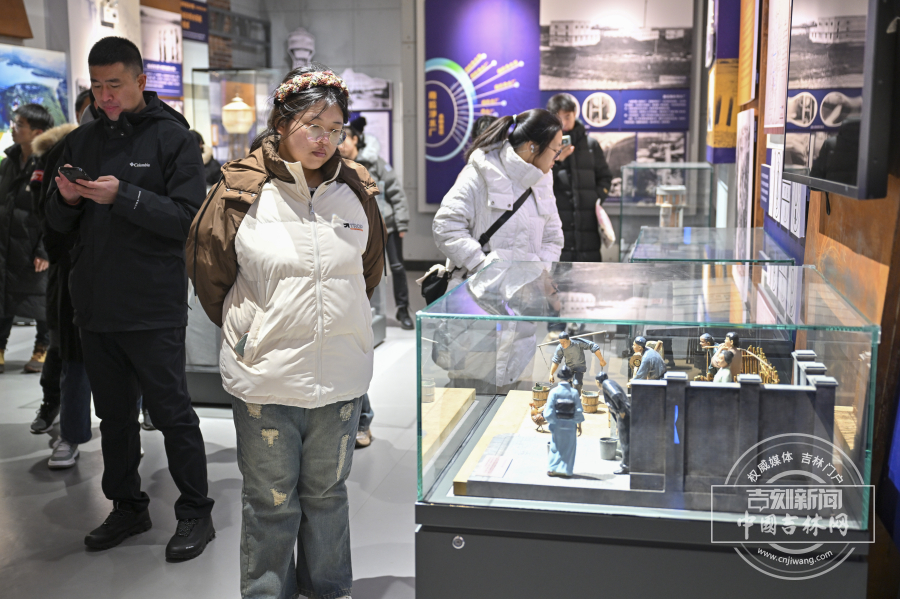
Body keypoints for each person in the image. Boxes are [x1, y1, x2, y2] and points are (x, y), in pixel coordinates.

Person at [187, 64, 385, 599]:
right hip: (265, 379)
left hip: (340, 377)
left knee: (328, 496)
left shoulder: (357, 189)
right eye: (313, 126)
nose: (325, 139)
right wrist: (251, 332)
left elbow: (367, 273)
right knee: (270, 502)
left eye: (335, 129)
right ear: (281, 123)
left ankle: (329, 590)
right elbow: (211, 273)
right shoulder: (239, 189)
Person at [45, 36, 214, 559]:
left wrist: (126, 195)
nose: (105, 96)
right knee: (114, 417)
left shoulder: (174, 139)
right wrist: (66, 201)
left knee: (173, 413)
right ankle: (127, 507)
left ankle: (195, 512)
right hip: (95, 305)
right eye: (97, 86)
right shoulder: (81, 141)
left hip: (153, 306)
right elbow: (56, 228)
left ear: (141, 81)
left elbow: (188, 220)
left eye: (114, 84)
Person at [432, 109, 564, 392]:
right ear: (533, 147)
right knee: (469, 390)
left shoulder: (543, 180)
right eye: (555, 150)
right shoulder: (481, 172)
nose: (557, 157)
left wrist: (539, 273)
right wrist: (484, 267)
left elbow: (553, 236)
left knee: (514, 390)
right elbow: (446, 225)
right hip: (475, 302)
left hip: (522, 306)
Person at [29, 103, 95, 469]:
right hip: (72, 271)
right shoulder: (63, 150)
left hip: (122, 276)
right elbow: (46, 215)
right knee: (72, 358)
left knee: (126, 360)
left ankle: (126, 432)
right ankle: (69, 434)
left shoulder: (143, 144)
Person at [339, 120, 413, 332]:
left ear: (355, 140)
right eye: (338, 140)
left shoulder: (375, 162)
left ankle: (403, 310)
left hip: (388, 225)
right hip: (360, 228)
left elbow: (396, 192)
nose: (341, 144)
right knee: (363, 268)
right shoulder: (337, 166)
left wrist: (402, 222)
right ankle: (364, 312)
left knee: (397, 267)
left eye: (345, 139)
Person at [0, 104, 53, 375]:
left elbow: (52, 211)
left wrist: (44, 250)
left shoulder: (48, 163)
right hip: (6, 245)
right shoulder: (8, 163)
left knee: (40, 300)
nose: (14, 128)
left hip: (33, 245)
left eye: (20, 125)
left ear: (37, 132)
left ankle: (43, 347)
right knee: (3, 298)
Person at [546, 94, 613, 262]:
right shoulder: (547, 147)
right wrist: (556, 160)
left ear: (575, 113)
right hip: (557, 221)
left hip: (588, 222)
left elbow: (605, 177)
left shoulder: (591, 145)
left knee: (590, 273)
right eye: (558, 118)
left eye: (567, 116)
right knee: (558, 273)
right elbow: (539, 180)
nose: (563, 123)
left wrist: (596, 198)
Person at [544, 366, 583, 477]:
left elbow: (548, 413)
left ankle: (552, 469)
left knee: (555, 447)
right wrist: (578, 424)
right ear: (570, 378)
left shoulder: (554, 392)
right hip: (570, 425)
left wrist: (553, 422)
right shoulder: (574, 393)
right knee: (569, 448)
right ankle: (566, 470)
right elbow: (578, 411)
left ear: (559, 377)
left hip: (557, 425)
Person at [597, 372, 630, 474]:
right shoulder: (609, 382)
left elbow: (616, 395)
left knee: (625, 441)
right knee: (625, 440)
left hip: (624, 414)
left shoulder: (606, 384)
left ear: (598, 381)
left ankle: (626, 466)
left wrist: (621, 410)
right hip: (623, 415)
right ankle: (627, 464)